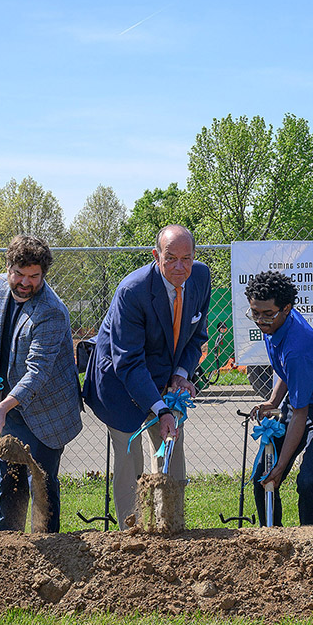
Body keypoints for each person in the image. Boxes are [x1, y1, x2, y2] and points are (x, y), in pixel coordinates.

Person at [82, 225, 210, 528]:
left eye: (186, 259)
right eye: (171, 259)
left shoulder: (201, 277)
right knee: (130, 459)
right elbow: (128, 362)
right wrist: (160, 409)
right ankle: (133, 531)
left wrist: (180, 375)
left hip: (164, 376)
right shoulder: (132, 291)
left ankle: (170, 524)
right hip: (119, 380)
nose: (180, 267)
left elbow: (196, 336)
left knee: (171, 446)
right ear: (156, 256)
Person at [0, 235, 82, 532]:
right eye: (19, 274)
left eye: (34, 276)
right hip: (8, 405)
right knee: (9, 480)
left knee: (41, 483)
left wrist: (3, 406)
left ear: (43, 274)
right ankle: (11, 544)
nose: (26, 282)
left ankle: (49, 545)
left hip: (46, 412)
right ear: (9, 268)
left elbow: (38, 372)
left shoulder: (51, 311)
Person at [246, 270, 313, 526]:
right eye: (255, 312)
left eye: (267, 314)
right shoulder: (277, 322)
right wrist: (273, 401)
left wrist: (281, 467)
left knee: (307, 480)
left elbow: (300, 413)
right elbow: (286, 371)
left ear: (286, 309)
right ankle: (272, 538)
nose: (260, 320)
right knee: (262, 476)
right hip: (301, 401)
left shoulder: (298, 349)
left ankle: (312, 542)